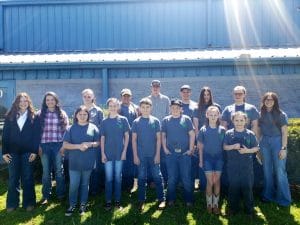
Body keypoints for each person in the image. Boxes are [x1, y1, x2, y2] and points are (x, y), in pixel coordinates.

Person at [2, 92, 40, 212]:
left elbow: (36, 136)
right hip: (12, 152)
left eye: (25, 101)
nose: (23, 103)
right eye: (21, 101)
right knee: (13, 178)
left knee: (27, 177)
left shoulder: (34, 117)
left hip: (28, 152)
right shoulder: (10, 116)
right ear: (17, 103)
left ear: (28, 102)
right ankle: (12, 203)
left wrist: (34, 151)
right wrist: (4, 152)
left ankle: (29, 203)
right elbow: (5, 135)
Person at [221, 86, 260, 190]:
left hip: (247, 143)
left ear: (244, 95)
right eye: (235, 94)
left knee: (247, 170)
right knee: (231, 169)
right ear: (233, 95)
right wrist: (227, 143)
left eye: (240, 94)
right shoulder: (228, 109)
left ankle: (248, 193)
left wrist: (252, 143)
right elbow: (223, 127)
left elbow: (255, 126)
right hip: (232, 142)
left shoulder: (251, 108)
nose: (238, 96)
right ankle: (231, 192)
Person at [63, 106, 100, 216]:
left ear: (88, 115)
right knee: (74, 184)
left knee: (85, 184)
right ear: (76, 115)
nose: (83, 116)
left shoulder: (93, 127)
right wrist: (78, 146)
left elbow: (98, 142)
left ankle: (83, 204)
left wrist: (90, 144)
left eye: (85, 114)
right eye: (80, 114)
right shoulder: (70, 128)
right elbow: (65, 145)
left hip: (88, 161)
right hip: (74, 162)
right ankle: (72, 204)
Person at [132, 98, 166, 211]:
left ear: (151, 108)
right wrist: (135, 156)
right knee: (141, 177)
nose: (145, 109)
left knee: (157, 176)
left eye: (147, 107)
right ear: (140, 109)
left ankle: (161, 199)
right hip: (141, 155)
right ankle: (141, 200)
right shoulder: (136, 122)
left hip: (153, 154)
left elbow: (158, 139)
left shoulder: (155, 121)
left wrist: (157, 155)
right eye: (143, 107)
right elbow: (134, 140)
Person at [258, 92, 291, 206]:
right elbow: (258, 131)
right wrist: (258, 147)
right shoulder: (260, 114)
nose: (269, 101)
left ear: (275, 101)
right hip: (265, 143)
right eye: (267, 99)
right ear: (264, 100)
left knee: (280, 170)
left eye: (271, 99)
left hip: (278, 142)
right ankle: (268, 195)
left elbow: (284, 132)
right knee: (267, 170)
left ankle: (284, 199)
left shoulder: (281, 114)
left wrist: (283, 148)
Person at [223, 111, 259, 217]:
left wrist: (247, 151)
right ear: (233, 121)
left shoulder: (250, 134)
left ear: (246, 121)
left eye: (241, 120)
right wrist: (233, 147)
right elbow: (224, 147)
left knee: (247, 187)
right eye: (237, 120)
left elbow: (257, 148)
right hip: (232, 166)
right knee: (233, 187)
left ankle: (249, 210)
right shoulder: (229, 133)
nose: (239, 123)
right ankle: (233, 208)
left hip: (246, 166)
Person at [162, 99, 195, 207]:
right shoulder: (166, 120)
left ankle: (189, 199)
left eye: (177, 108)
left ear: (181, 109)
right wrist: (165, 149)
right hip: (171, 155)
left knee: (186, 177)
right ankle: (171, 199)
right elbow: (163, 136)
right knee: (172, 178)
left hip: (184, 154)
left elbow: (192, 134)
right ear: (170, 108)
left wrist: (190, 149)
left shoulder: (186, 119)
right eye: (173, 107)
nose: (175, 109)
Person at [38, 91, 69, 204]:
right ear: (45, 102)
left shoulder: (62, 113)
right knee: (46, 172)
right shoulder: (39, 114)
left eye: (52, 99)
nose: (50, 102)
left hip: (58, 146)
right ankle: (46, 195)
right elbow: (36, 132)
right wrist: (38, 146)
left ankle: (61, 194)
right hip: (44, 145)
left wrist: (64, 146)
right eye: (48, 100)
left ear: (56, 101)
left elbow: (66, 132)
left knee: (59, 171)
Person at [100, 98, 130, 210]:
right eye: (111, 105)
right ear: (108, 107)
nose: (113, 107)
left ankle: (117, 201)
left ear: (118, 107)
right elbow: (102, 138)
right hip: (107, 154)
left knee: (118, 177)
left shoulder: (123, 120)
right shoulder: (104, 121)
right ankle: (108, 201)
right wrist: (102, 153)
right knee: (108, 178)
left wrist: (124, 151)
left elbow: (127, 136)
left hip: (119, 153)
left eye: (115, 105)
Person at [197, 106, 225, 214]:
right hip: (207, 159)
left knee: (217, 181)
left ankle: (216, 204)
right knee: (210, 181)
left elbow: (224, 145)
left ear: (218, 116)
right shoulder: (203, 130)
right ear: (207, 115)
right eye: (211, 115)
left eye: (215, 115)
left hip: (219, 159)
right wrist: (200, 160)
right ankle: (209, 204)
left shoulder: (222, 130)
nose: (213, 117)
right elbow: (200, 146)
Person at [193, 86, 221, 191]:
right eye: (204, 95)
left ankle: (215, 184)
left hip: (214, 139)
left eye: (208, 94)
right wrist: (198, 140)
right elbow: (196, 126)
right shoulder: (197, 108)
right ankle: (203, 185)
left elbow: (220, 123)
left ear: (210, 95)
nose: (206, 97)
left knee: (215, 161)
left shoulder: (216, 106)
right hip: (202, 137)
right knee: (202, 161)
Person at [81, 88, 104, 196]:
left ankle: (95, 189)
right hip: (82, 144)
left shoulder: (98, 110)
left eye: (89, 96)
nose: (87, 98)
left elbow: (102, 128)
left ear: (93, 98)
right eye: (85, 96)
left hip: (94, 144)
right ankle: (85, 188)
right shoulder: (80, 110)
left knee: (95, 166)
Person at [147, 80, 170, 184]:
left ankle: (164, 179)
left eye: (157, 86)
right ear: (151, 87)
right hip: (150, 133)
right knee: (152, 156)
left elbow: (168, 116)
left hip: (163, 132)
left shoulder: (166, 99)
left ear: (160, 87)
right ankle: (152, 180)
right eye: (153, 86)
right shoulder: (147, 100)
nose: (155, 88)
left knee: (164, 156)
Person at [119, 88, 139, 192]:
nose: (126, 98)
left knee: (131, 161)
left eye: (128, 96)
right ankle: (122, 184)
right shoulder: (117, 107)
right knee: (123, 161)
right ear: (121, 97)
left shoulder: (135, 107)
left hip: (133, 139)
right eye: (124, 96)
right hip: (121, 139)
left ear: (131, 97)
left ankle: (130, 184)